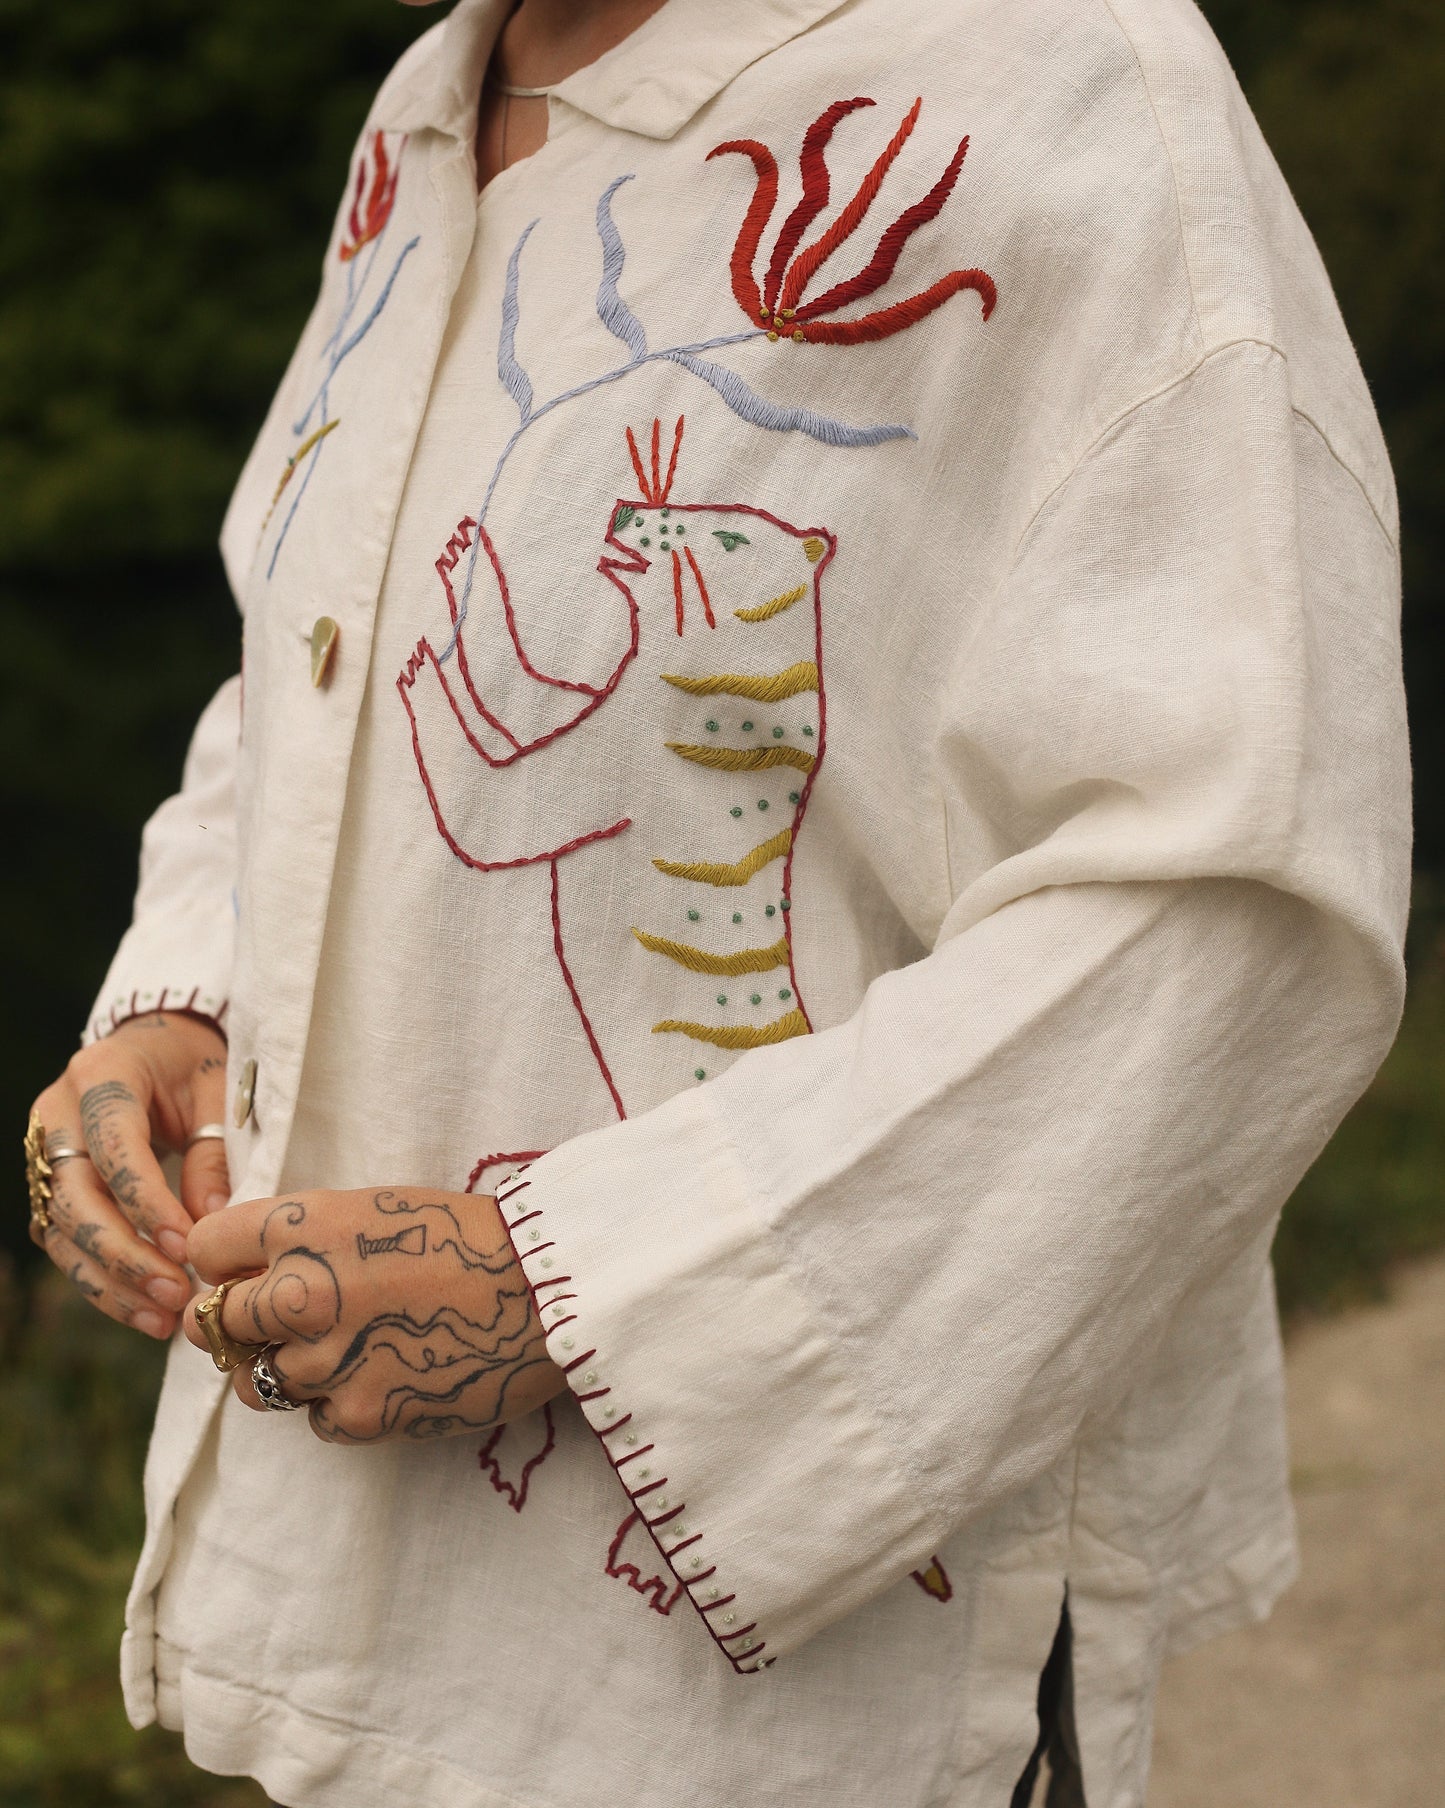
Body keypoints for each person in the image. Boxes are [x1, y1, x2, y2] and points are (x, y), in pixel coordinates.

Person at [23, 0, 1411, 1802]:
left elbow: (1233, 907)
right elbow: (317, 661)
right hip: (368, 1630)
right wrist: (179, 1002)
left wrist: (578, 1293)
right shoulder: (428, 114)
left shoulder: (1058, 81)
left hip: (775, 1714)